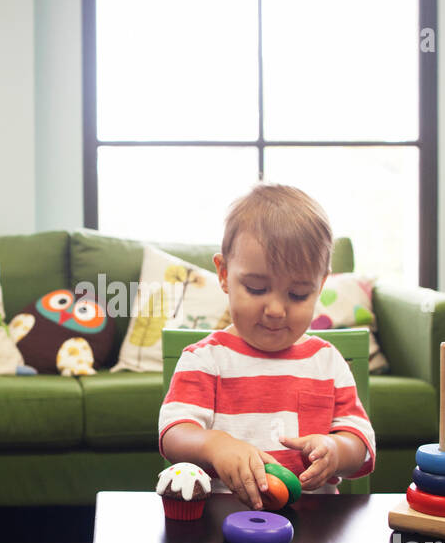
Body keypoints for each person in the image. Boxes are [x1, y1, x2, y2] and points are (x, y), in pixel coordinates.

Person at [158, 182, 375, 510]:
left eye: (299, 294)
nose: (276, 309)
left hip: (313, 528)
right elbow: (174, 433)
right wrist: (216, 445)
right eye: (257, 288)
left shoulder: (327, 362)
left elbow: (358, 440)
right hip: (223, 522)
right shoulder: (205, 360)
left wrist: (336, 450)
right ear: (224, 274)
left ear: (320, 286)